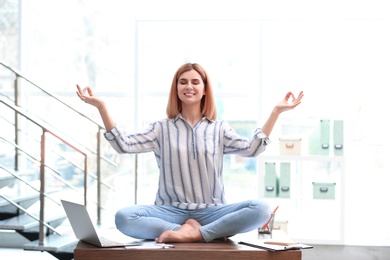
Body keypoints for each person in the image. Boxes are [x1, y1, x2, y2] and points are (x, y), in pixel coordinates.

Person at [76, 63, 303, 243]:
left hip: (213, 210)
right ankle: (198, 232)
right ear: (176, 89)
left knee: (261, 210)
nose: (189, 87)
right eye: (183, 82)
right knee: (124, 217)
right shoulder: (161, 128)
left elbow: (252, 149)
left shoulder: (219, 128)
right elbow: (122, 145)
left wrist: (276, 112)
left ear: (205, 89)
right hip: (169, 211)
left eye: (195, 82)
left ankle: (197, 233)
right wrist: (102, 107)